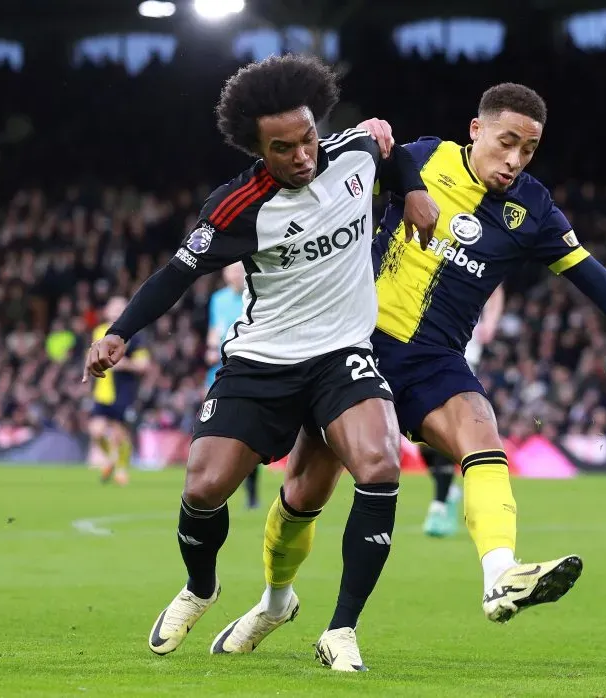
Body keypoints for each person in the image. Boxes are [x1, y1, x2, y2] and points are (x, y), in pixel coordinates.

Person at [245, 82, 606, 638]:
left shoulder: (533, 210)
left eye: (528, 150)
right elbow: (326, 183)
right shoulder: (421, 158)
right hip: (355, 344)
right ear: (476, 129)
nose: (515, 159)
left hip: (433, 362)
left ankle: (500, 573)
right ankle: (274, 600)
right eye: (507, 142)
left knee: (482, 431)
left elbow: (604, 287)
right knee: (306, 492)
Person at [83, 54, 438, 670]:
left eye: (307, 139)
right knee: (204, 484)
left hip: (341, 354)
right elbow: (176, 273)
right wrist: (121, 333)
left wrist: (412, 188)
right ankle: (201, 587)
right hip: (262, 360)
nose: (303, 156)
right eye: (284, 148)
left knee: (380, 465)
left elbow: (389, 147)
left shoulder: (351, 154)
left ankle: (342, 628)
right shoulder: (236, 207)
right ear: (257, 150)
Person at [422, 284, 505, 538]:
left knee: (447, 417)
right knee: (421, 429)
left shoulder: (471, 248)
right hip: (423, 346)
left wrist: (490, 321)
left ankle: (439, 504)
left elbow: (496, 287)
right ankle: (447, 489)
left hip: (461, 352)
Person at [205, 262, 260, 509]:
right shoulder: (218, 299)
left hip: (250, 369)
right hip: (220, 370)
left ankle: (250, 491)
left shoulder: (256, 292)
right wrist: (209, 347)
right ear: (225, 274)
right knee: (216, 431)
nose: (235, 275)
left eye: (239, 270)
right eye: (231, 270)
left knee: (250, 434)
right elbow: (214, 330)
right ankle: (214, 488)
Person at [87, 295, 150, 486]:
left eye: (120, 308)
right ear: (106, 311)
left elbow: (144, 364)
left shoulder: (134, 335)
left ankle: (121, 469)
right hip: (102, 390)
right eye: (113, 307)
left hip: (123, 390)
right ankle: (110, 459)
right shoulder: (98, 331)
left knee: (119, 434)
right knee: (96, 431)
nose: (116, 311)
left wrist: (125, 364)